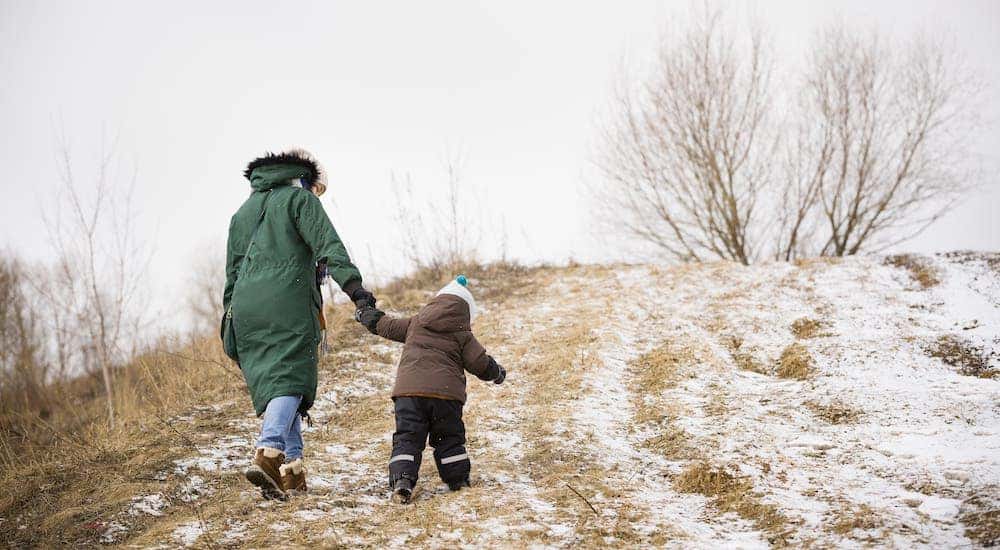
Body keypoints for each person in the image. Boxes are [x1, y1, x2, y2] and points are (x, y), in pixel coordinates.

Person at [222, 148, 376, 500]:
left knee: (279, 382)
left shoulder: (241, 213)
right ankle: (269, 451)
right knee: (291, 379)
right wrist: (357, 291)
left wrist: (228, 320)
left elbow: (231, 274)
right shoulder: (300, 201)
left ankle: (291, 471)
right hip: (288, 301)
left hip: (245, 309)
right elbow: (328, 246)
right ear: (307, 179)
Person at [356, 275, 506, 504]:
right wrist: (497, 373)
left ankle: (403, 481)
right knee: (448, 438)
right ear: (466, 312)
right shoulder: (463, 335)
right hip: (446, 395)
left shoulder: (415, 323)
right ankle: (458, 481)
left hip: (409, 393)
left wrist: (365, 314)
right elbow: (480, 363)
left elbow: (384, 325)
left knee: (407, 437)